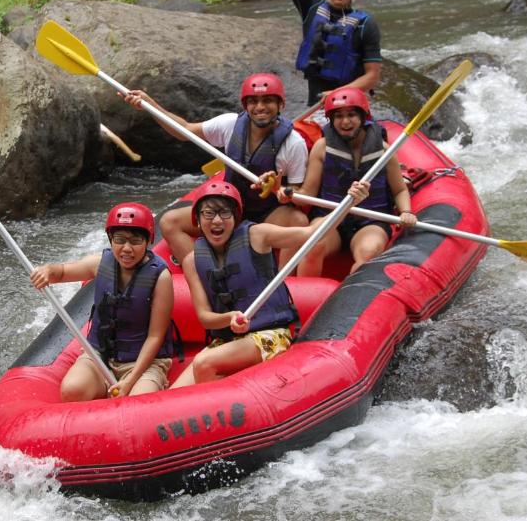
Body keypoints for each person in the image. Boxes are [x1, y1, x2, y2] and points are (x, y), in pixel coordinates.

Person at [171, 178, 368, 388]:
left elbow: (311, 234)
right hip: (227, 340)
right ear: (198, 220)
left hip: (270, 334)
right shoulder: (192, 261)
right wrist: (229, 318)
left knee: (203, 363)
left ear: (235, 217)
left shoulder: (257, 235)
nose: (217, 221)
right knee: (174, 392)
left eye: (224, 213)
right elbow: (205, 317)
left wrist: (350, 202)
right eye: (208, 214)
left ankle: (218, 410)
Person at [121, 73, 309, 265]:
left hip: (268, 212)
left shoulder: (293, 143)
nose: (260, 107)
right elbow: (185, 130)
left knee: (299, 222)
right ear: (246, 106)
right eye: (253, 101)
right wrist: (150, 105)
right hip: (230, 206)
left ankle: (281, 282)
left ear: (281, 105)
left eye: (268, 100)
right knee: (169, 222)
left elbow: (298, 192)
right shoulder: (230, 124)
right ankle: (210, 272)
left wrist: (283, 192)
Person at [29, 202, 176, 401]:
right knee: (72, 390)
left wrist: (130, 380)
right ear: (110, 239)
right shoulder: (100, 263)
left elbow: (155, 337)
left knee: (137, 404)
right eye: (119, 240)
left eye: (135, 241)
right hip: (100, 356)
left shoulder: (161, 277)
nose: (126, 248)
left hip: (144, 363)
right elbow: (62, 272)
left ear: (148, 240)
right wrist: (47, 271)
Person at [283, 87, 417, 277]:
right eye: (338, 116)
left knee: (368, 253)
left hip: (371, 220)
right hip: (330, 217)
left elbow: (399, 191)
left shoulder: (384, 150)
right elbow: (308, 195)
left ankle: (348, 302)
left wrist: (406, 212)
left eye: (351, 115)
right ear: (331, 119)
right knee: (313, 245)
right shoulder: (322, 148)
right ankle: (302, 298)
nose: (345, 122)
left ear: (363, 116)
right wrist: (287, 193)